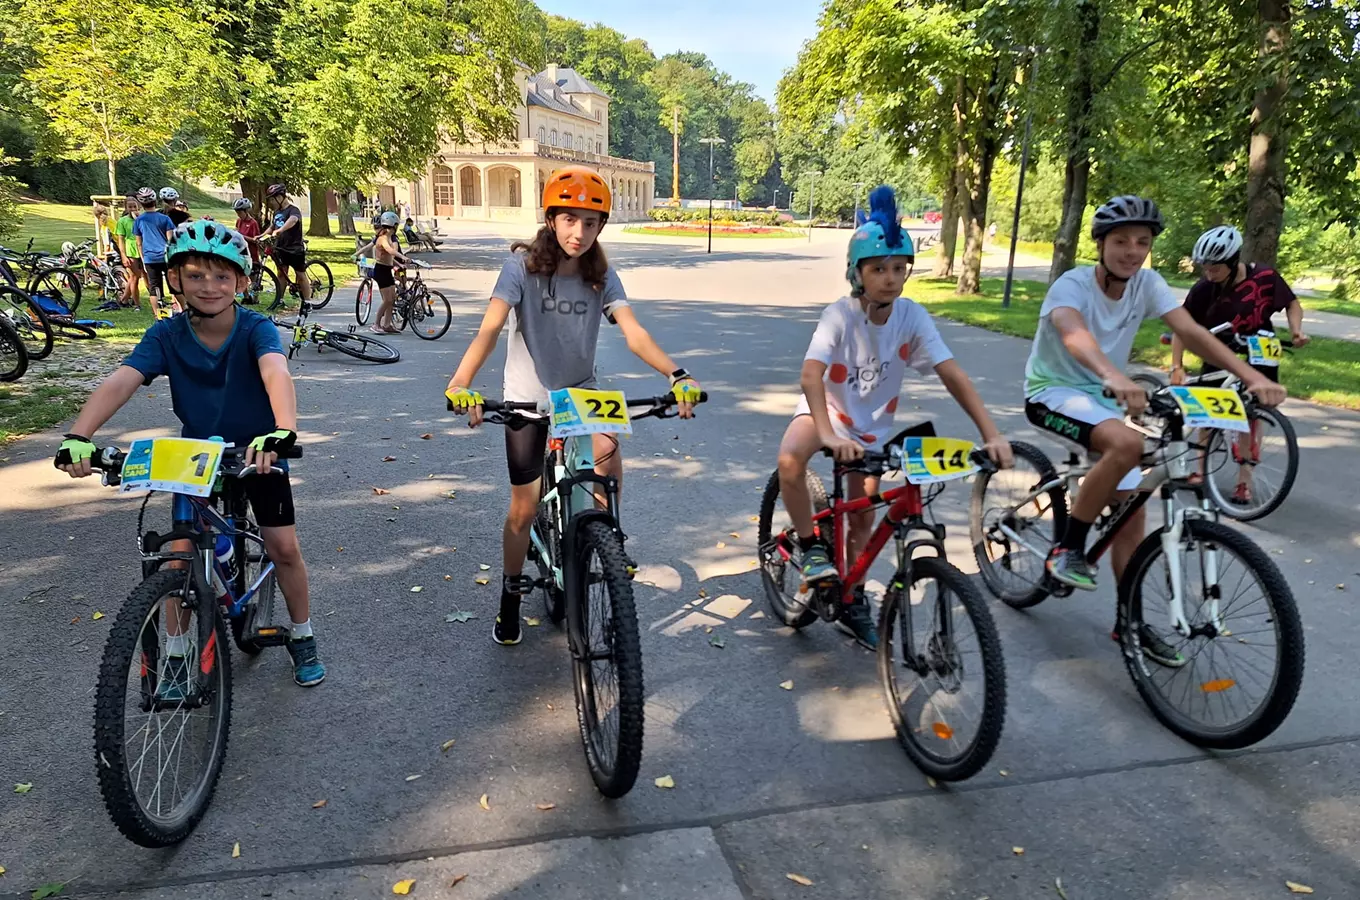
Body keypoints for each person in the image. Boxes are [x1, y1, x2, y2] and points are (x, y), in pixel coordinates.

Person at [53, 221, 325, 688]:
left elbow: (275, 371)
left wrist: (282, 431)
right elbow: (123, 380)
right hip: (196, 454)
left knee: (282, 547)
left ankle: (302, 633)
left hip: (258, 449)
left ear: (241, 282)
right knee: (177, 556)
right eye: (195, 275)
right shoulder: (166, 335)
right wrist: (78, 434)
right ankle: (177, 653)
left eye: (222, 276)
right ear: (175, 279)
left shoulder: (255, 327)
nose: (209, 286)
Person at [1023, 195, 1287, 666]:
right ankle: (1067, 550)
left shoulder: (1147, 284)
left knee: (1132, 512)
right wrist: (1113, 375)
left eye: (1142, 242)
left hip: (1103, 400)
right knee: (1127, 443)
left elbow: (1193, 331)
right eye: (1121, 241)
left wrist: (1252, 376)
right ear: (1100, 244)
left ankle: (1131, 625)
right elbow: (1072, 332)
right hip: (1052, 393)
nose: (1132, 250)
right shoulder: (1073, 284)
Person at [444, 165, 701, 647]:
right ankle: (511, 595)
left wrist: (677, 374)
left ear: (600, 227)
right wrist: (461, 382)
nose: (578, 232)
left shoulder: (601, 275)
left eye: (589, 222)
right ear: (551, 219)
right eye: (569, 220)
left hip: (581, 392)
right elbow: (490, 328)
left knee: (607, 452)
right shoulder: (520, 268)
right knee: (523, 507)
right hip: (527, 396)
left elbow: (634, 331)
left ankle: (607, 537)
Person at [777, 186, 1013, 649]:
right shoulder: (840, 316)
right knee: (789, 461)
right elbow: (811, 375)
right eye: (879, 268)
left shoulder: (911, 317)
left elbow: (953, 374)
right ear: (857, 273)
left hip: (868, 428)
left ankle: (854, 596)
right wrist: (826, 433)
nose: (890, 277)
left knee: (864, 520)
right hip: (826, 412)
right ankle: (811, 548)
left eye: (899, 268)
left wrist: (992, 434)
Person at [1170, 225, 1309, 504]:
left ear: (1233, 262)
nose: (1209, 273)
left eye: (1215, 267)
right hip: (1220, 350)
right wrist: (1177, 365)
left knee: (1250, 416)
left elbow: (1293, 305)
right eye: (1205, 267)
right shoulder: (1203, 289)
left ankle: (1244, 483)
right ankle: (1199, 470)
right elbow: (1181, 327)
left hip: (1261, 351)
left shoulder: (1265, 278)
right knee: (1209, 410)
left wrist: (1296, 330)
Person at [132, 187, 181, 317]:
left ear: (141, 204)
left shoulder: (139, 220)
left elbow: (139, 242)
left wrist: (143, 260)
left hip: (150, 258)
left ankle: (158, 316)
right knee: (174, 285)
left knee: (155, 288)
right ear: (155, 201)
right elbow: (171, 240)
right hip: (165, 257)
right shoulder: (165, 219)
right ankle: (184, 310)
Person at [261, 184, 312, 306]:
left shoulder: (293, 210)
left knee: (300, 275)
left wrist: (281, 230)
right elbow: (272, 226)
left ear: (280, 197)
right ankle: (280, 299)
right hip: (281, 247)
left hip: (294, 248)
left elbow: (293, 220)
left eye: (273, 199)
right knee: (281, 273)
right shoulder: (277, 212)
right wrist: (261, 235)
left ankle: (307, 302)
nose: (272, 202)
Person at [369, 211, 412, 333]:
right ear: (394, 225)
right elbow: (389, 251)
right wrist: (403, 257)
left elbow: (391, 257)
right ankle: (376, 324)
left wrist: (399, 264)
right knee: (387, 300)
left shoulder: (388, 237)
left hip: (387, 270)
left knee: (392, 299)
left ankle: (387, 325)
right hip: (381, 270)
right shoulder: (383, 238)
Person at [113, 195, 143, 310]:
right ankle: (137, 304)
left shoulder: (142, 219)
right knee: (134, 277)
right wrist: (123, 255)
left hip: (143, 249)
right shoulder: (122, 221)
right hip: (130, 251)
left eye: (134, 207)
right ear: (126, 208)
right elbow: (120, 239)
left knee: (138, 277)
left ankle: (124, 299)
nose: (133, 209)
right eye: (130, 207)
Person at [233, 198, 263, 303]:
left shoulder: (253, 223)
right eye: (237, 212)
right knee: (241, 274)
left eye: (240, 212)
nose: (238, 214)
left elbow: (256, 239)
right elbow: (236, 231)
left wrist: (242, 236)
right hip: (241, 251)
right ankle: (246, 296)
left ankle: (255, 297)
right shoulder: (239, 221)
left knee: (253, 276)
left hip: (251, 252)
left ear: (246, 211)